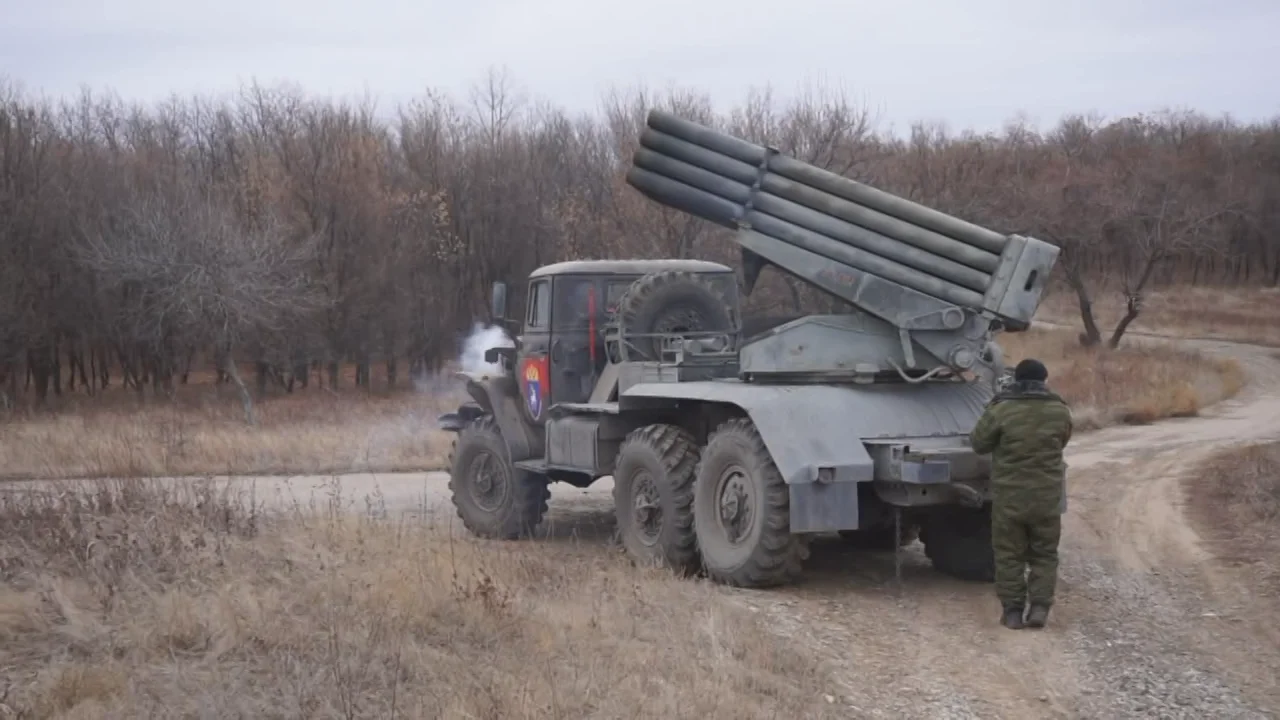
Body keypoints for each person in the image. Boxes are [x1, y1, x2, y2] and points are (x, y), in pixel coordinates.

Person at [969, 357, 1073, 630]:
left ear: (1016, 380)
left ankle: (1013, 612)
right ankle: (1039, 607)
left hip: (1010, 497)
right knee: (1045, 553)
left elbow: (979, 444)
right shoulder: (1059, 410)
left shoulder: (1002, 410)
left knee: (1008, 554)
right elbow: (1063, 440)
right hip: (1047, 497)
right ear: (1044, 380)